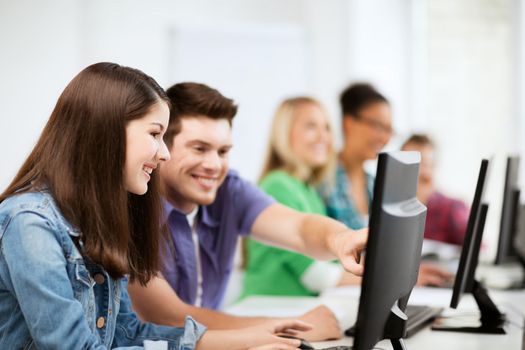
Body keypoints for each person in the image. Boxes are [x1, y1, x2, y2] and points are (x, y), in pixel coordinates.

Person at [0, 63, 313, 350]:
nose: (164, 153)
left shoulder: (101, 220)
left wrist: (249, 339)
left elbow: (127, 333)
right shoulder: (31, 223)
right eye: (155, 134)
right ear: (106, 132)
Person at [128, 83, 368, 341]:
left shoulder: (229, 190)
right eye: (199, 149)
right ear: (162, 148)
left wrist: (340, 238)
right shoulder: (130, 211)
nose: (213, 165)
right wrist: (291, 327)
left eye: (223, 151)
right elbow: (170, 318)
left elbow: (299, 229)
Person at [321, 83, 453, 287]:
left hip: (368, 290)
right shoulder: (322, 181)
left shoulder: (374, 184)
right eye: (378, 126)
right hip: (339, 290)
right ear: (349, 123)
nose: (385, 138)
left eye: (389, 130)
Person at [242, 97, 361, 299]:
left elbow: (330, 262)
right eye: (311, 127)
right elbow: (315, 275)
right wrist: (383, 278)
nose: (323, 137)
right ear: (284, 133)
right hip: (265, 310)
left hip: (295, 311)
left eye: (327, 128)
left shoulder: (308, 189)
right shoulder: (277, 185)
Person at [401, 134, 468, 245]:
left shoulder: (453, 208)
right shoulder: (392, 209)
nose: (415, 171)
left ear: (433, 168)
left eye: (424, 164)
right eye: (408, 163)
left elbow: (478, 250)